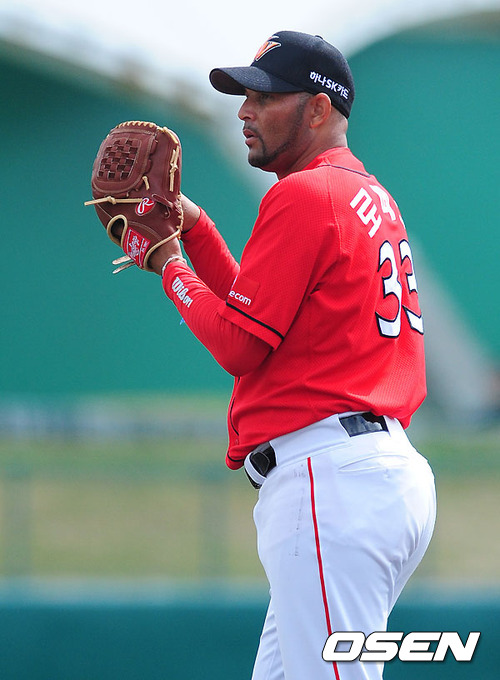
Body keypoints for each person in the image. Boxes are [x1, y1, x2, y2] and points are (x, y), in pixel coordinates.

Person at [148, 30, 437, 680]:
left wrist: (167, 264)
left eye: (265, 97)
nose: (245, 111)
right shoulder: (363, 194)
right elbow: (260, 318)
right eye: (245, 96)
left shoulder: (305, 194)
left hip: (331, 481)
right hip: (369, 472)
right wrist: (196, 229)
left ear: (318, 109)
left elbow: (239, 344)